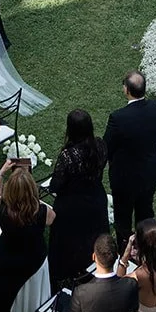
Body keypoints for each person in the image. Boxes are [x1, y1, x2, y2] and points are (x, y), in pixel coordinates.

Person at [0, 158, 54, 312]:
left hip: (9, 263)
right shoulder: (42, 211)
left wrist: (2, 172)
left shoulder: (2, 208)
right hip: (34, 263)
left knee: (6, 299)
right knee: (33, 299)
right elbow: (53, 218)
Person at [48, 109, 109, 293]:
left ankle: (68, 277)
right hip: (95, 200)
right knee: (93, 236)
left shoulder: (68, 156)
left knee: (69, 244)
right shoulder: (100, 145)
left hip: (71, 207)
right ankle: (96, 266)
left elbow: (55, 185)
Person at [104, 72, 156, 248]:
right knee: (145, 213)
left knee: (123, 218)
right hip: (149, 173)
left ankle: (125, 252)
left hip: (125, 179)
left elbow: (107, 146)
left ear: (127, 90)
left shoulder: (118, 118)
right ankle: (147, 248)